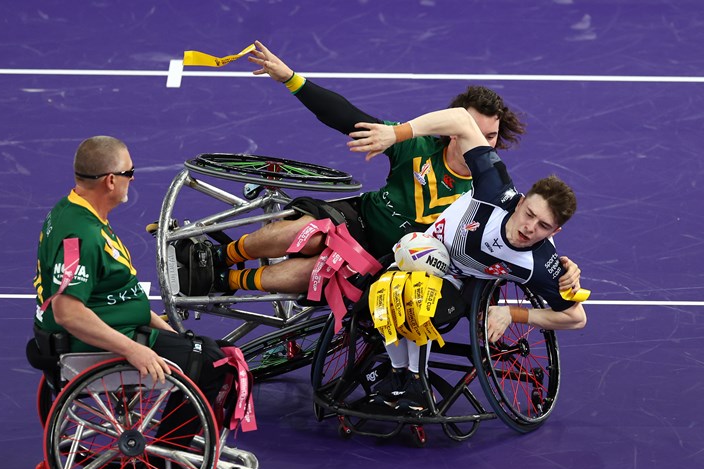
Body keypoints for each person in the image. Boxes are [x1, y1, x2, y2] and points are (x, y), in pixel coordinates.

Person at [179, 41, 579, 301]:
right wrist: (291, 79)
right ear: (451, 127)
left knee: (321, 269)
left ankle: (225, 282)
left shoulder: (490, 190)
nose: (482, 143)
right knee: (309, 232)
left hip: (393, 262)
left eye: (490, 136)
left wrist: (566, 269)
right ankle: (220, 256)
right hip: (362, 217)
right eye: (473, 131)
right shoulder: (415, 146)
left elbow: (523, 231)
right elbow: (347, 118)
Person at [31, 136, 247, 469]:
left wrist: (160, 326)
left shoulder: (78, 212)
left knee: (213, 350)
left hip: (118, 326)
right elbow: (67, 311)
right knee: (212, 364)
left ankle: (175, 448)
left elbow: (112, 293)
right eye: (129, 172)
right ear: (110, 180)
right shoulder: (79, 234)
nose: (132, 178)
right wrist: (133, 349)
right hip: (92, 344)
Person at [350, 108, 588, 411]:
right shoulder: (494, 187)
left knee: (412, 292)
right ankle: (398, 374)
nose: (530, 228)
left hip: (461, 285)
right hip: (425, 251)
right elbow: (462, 119)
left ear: (555, 231)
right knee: (385, 292)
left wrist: (513, 314)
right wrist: (397, 133)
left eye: (543, 226)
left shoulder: (540, 264)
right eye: (529, 214)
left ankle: (417, 383)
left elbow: (576, 318)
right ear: (521, 202)